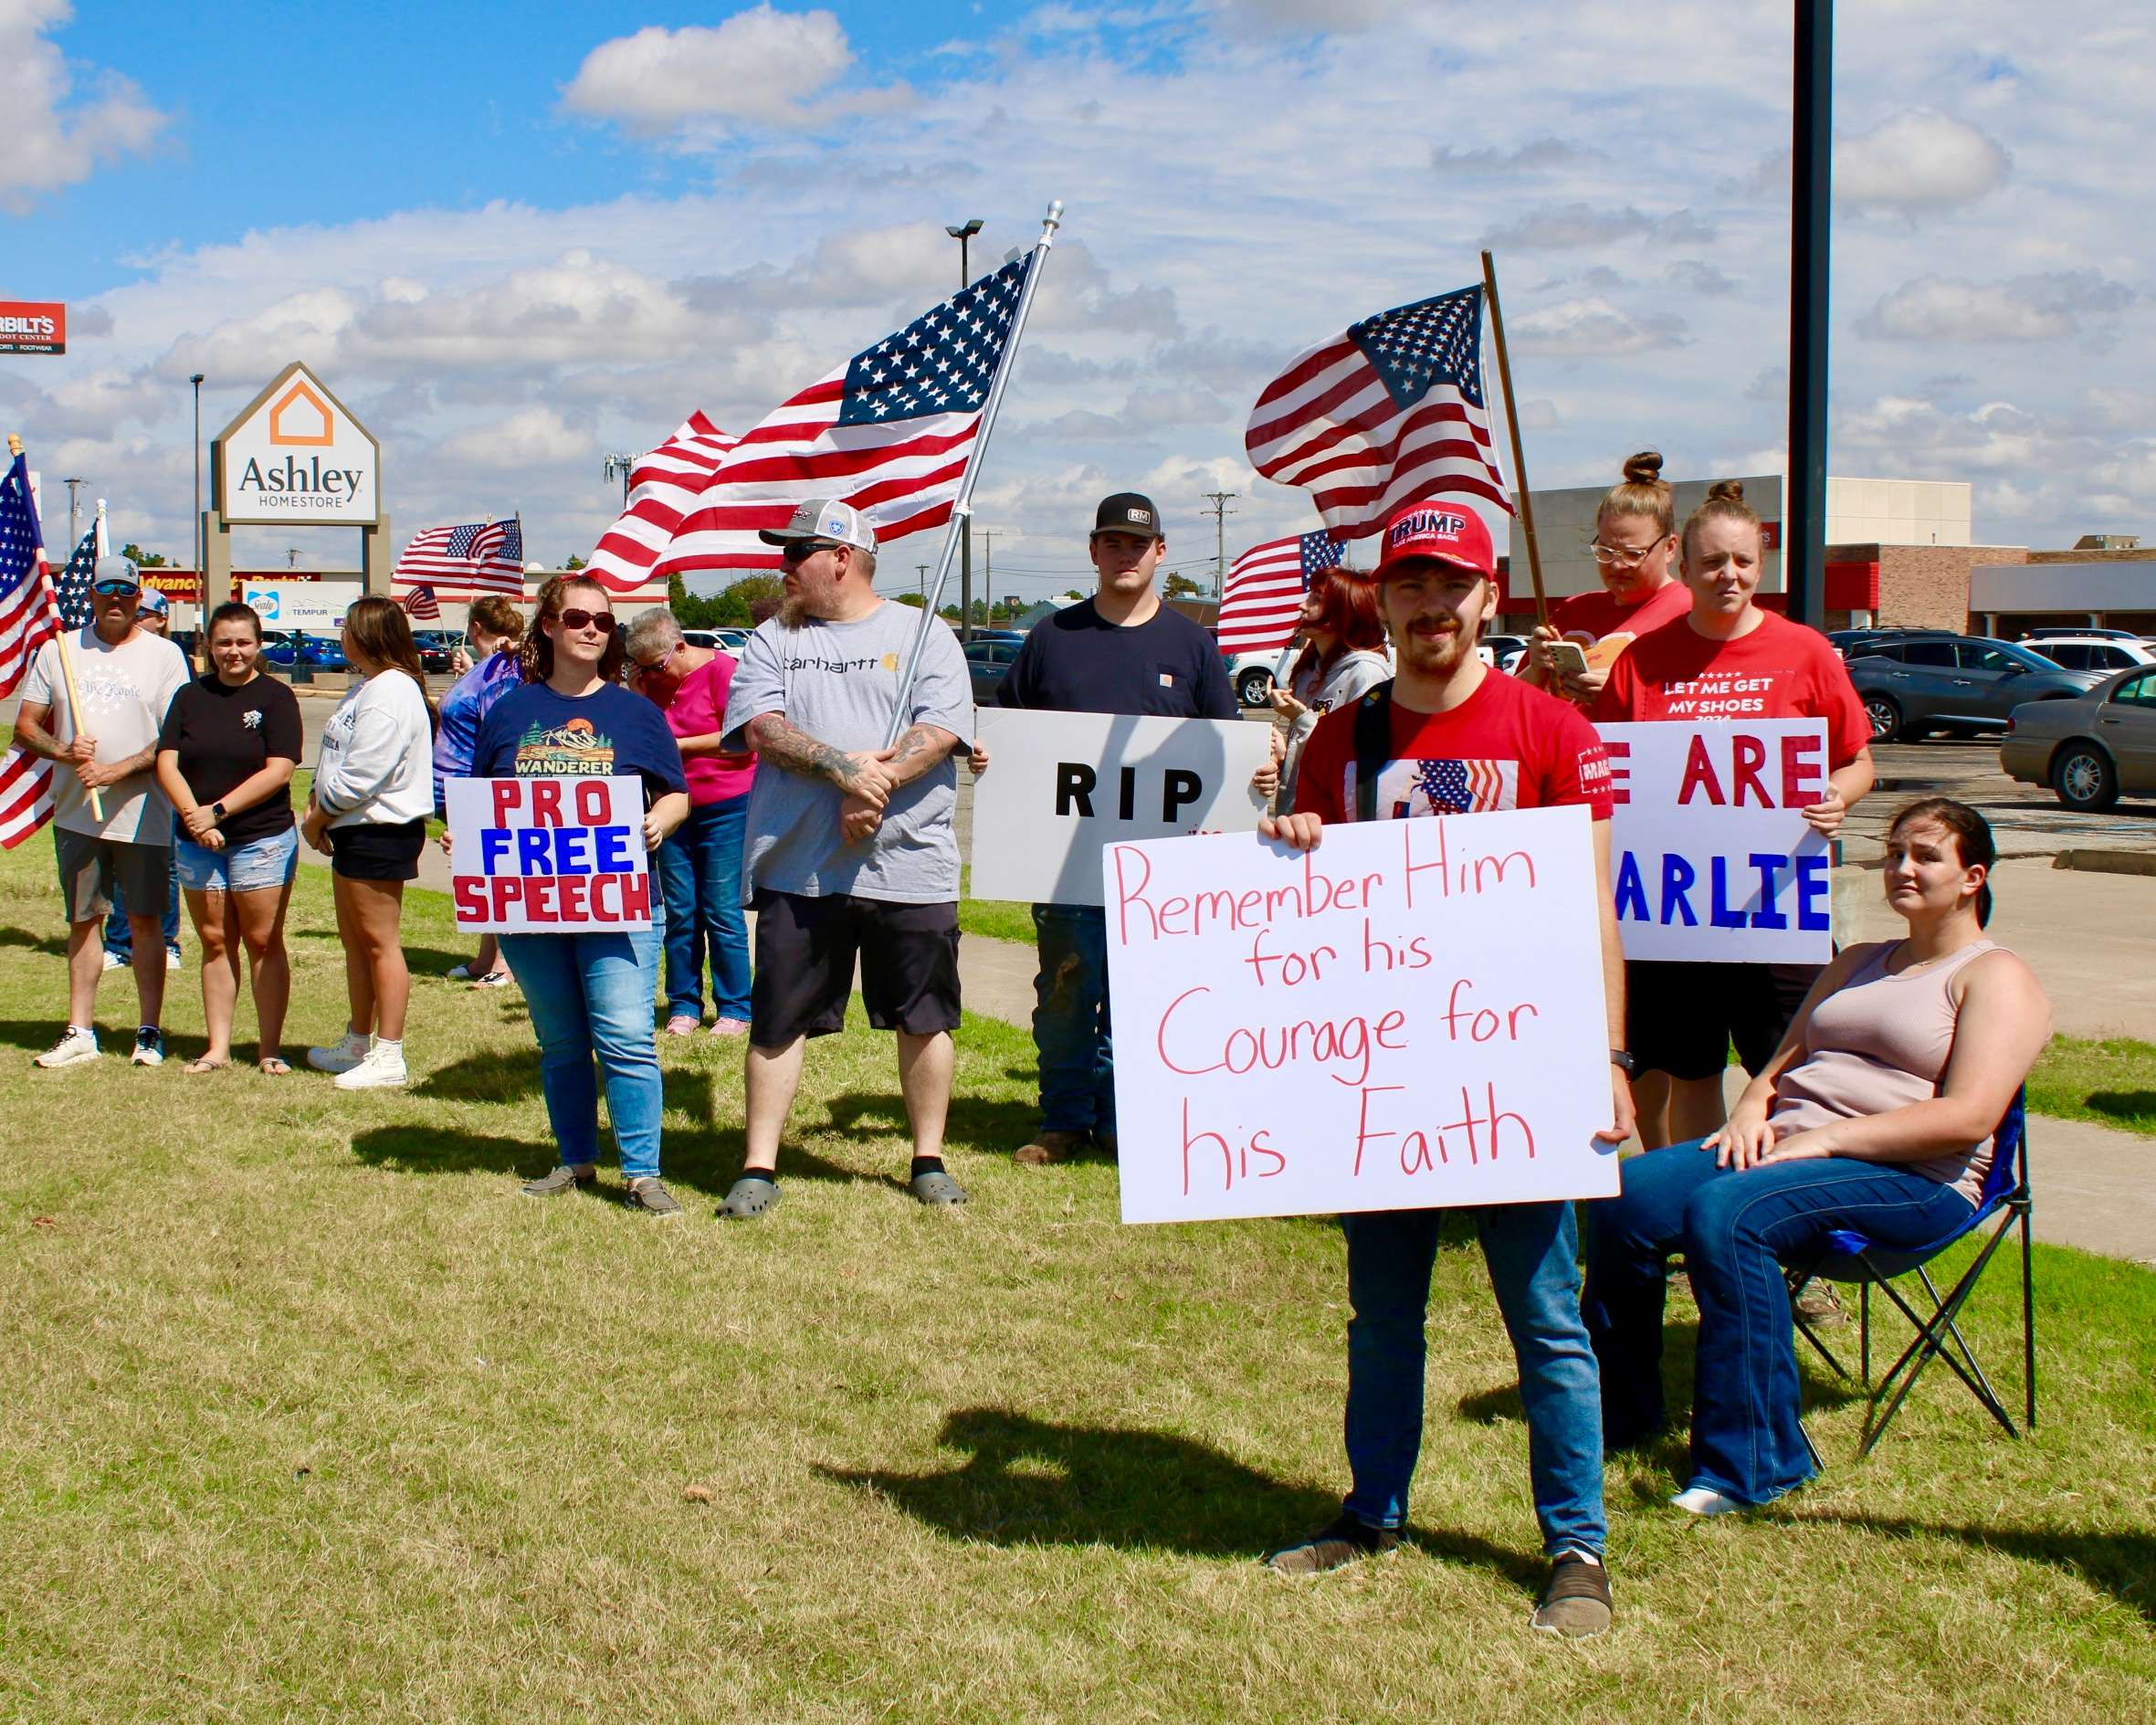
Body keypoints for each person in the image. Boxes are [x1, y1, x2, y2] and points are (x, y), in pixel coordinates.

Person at [1257, 500, 1634, 1639]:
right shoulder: (1344, 736)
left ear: (1490, 593)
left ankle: (1576, 1546)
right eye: (1411, 584)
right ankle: (1373, 1509)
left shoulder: (1550, 730)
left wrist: (1610, 1054)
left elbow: (1593, 906)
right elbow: (1291, 879)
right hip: (1389, 1070)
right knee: (1384, 1311)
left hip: (1520, 1060)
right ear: (1388, 597)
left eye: (1452, 584)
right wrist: (1290, 839)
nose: (1432, 604)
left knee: (1546, 1317)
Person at [1583, 799, 2050, 1513]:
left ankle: (1756, 1463)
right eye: (1895, 852)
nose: (1902, 867)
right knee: (1624, 1196)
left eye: (1926, 855)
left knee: (1727, 1211)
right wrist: (1748, 1109)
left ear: (1971, 876)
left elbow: (1967, 1117)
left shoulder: (1993, 976)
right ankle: (1623, 1414)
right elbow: (1781, 1059)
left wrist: (1823, 1139)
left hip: (1911, 1179)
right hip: (1791, 1151)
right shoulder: (1857, 960)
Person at [1593, 479, 1876, 1148]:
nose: (1729, 575)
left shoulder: (1804, 650)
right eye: (1713, 562)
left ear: (1762, 562)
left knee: (1791, 1064)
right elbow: (1606, 771)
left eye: (1743, 561)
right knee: (1688, 1073)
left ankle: (1773, 1201)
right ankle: (1684, 1210)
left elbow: (1858, 761)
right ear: (1682, 565)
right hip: (1674, 916)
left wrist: (1837, 795)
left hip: (1776, 907)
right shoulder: (1642, 662)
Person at [992, 492, 1271, 1166]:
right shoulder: (1052, 637)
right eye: (1112, 543)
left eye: (1137, 544)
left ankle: (1121, 1120)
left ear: (1161, 553)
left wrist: (1257, 773)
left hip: (1161, 869)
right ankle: (1060, 1120)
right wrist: (986, 753)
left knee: (1141, 997)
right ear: (1093, 551)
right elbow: (1007, 729)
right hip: (1064, 862)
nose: (1125, 554)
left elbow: (1224, 747)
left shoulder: (1192, 645)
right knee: (1063, 992)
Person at [717, 498, 973, 1217]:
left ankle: (928, 1158)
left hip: (908, 863)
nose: (782, 566)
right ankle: (758, 1165)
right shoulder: (773, 637)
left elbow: (942, 726)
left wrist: (878, 781)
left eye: (795, 553)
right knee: (776, 1019)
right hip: (800, 867)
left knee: (924, 1015)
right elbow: (762, 726)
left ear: (840, 556)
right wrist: (841, 770)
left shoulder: (924, 633)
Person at [469, 575, 690, 1217]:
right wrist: (470, 840)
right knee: (562, 1040)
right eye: (576, 618)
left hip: (620, 898)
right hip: (530, 902)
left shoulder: (635, 712)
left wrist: (661, 820)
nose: (591, 628)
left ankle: (643, 1171)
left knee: (624, 1035)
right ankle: (574, 1157)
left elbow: (675, 790)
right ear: (548, 626)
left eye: (602, 620)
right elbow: (484, 796)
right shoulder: (510, 712)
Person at [16, 553, 193, 1068]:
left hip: (144, 813)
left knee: (145, 924)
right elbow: (26, 726)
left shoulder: (164, 656)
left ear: (139, 599)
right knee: (84, 921)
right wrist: (65, 752)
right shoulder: (61, 652)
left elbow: (173, 735)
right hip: (78, 815)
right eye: (106, 590)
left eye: (126, 591)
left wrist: (117, 771)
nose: (115, 599)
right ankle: (80, 1030)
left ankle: (150, 1030)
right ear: (90, 597)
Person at [152, 602, 303, 1074]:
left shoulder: (277, 698)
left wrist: (217, 812)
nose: (233, 652)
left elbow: (280, 770)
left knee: (262, 940)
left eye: (243, 642)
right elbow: (166, 762)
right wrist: (195, 820)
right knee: (215, 941)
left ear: (258, 646)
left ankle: (268, 1049)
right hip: (197, 842)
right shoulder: (189, 697)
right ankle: (216, 1047)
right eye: (223, 643)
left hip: (261, 839)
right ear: (208, 647)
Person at [302, 595, 435, 1090]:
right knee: (355, 941)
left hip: (380, 830)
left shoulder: (392, 691)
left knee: (380, 943)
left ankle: (389, 1052)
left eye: (348, 629)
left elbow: (363, 776)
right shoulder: (367, 689)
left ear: (368, 636)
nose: (342, 638)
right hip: (353, 829)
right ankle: (358, 1041)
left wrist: (317, 818)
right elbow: (336, 760)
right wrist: (322, 809)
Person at [624, 607, 756, 1037]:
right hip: (668, 805)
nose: (651, 674)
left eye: (656, 665)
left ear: (680, 646)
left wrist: (676, 745)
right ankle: (683, 1004)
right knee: (680, 911)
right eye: (640, 667)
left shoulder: (723, 671)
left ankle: (735, 1007)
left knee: (721, 910)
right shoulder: (648, 683)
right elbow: (637, 733)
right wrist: (635, 689)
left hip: (726, 805)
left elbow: (741, 739)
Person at [1520, 450, 1689, 708]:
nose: (1617, 565)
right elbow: (1508, 700)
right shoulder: (1572, 611)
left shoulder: (1690, 614)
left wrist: (1624, 692)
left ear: (1670, 548)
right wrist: (1536, 669)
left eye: (1634, 554)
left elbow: (1704, 707)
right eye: (1606, 551)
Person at [432, 595, 525, 989]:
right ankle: (485, 956)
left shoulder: (503, 671)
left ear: (475, 629)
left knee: (496, 872)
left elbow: (497, 729)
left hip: (478, 790)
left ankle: (504, 963)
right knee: (482, 871)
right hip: (459, 790)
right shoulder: (485, 669)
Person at [101, 584, 184, 973]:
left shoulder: (170, 659)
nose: (134, 620)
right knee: (120, 863)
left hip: (163, 782)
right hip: (118, 782)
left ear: (161, 617)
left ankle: (167, 941)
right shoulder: (118, 659)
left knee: (164, 865)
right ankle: (119, 942)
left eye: (142, 614)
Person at [1267, 563, 1390, 811]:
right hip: (1295, 820)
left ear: (1344, 611)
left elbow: (1358, 760)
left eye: (1316, 599)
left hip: (1332, 826)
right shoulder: (1308, 670)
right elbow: (1310, 754)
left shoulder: (1366, 673)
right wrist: (1284, 754)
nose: (1303, 606)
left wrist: (1300, 719)